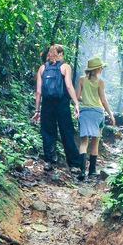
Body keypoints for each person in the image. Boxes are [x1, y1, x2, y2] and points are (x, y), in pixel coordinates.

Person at [33, 44, 82, 175]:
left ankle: (49, 162)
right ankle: (74, 165)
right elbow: (69, 86)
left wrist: (37, 111)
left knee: (48, 132)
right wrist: (76, 103)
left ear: (49, 54)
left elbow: (38, 92)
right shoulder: (65, 67)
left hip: (47, 105)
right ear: (61, 54)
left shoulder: (42, 68)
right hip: (62, 104)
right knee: (67, 132)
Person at [76, 57, 115, 180]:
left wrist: (86, 100)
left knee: (83, 142)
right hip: (97, 113)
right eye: (101, 67)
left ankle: (82, 171)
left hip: (84, 113)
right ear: (97, 69)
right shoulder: (100, 82)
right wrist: (111, 114)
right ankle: (92, 171)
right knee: (95, 141)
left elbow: (77, 97)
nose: (102, 69)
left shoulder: (82, 80)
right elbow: (103, 100)